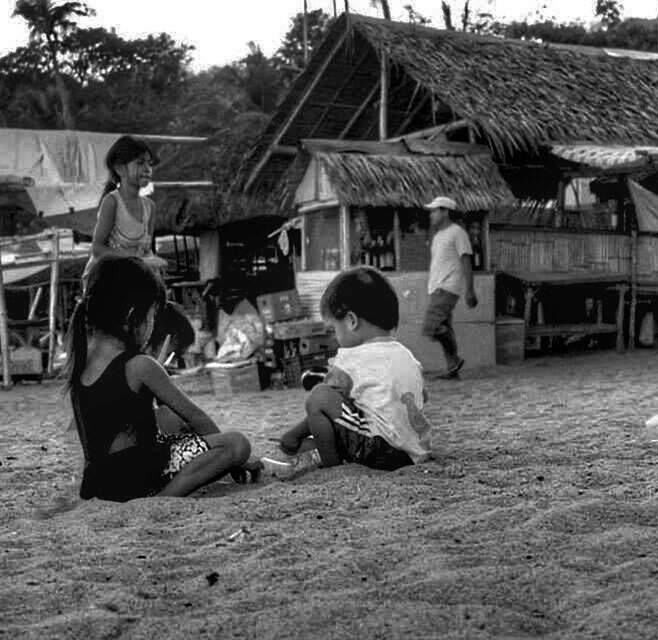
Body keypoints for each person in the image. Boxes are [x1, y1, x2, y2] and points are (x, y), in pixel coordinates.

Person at [66, 255, 257, 502]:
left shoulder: (80, 362)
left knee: (171, 423)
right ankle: (164, 498)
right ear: (134, 315)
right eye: (152, 316)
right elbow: (196, 417)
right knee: (236, 443)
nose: (153, 325)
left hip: (98, 484)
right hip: (138, 476)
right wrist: (232, 463)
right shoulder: (140, 366)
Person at [261, 266, 433, 479]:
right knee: (342, 422)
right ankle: (318, 451)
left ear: (351, 321)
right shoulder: (408, 356)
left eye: (334, 328)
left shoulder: (351, 358)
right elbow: (422, 396)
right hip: (415, 452)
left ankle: (332, 466)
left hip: (383, 452)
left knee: (318, 395)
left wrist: (293, 435)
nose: (334, 336)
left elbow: (323, 406)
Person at [82, 135, 166, 286]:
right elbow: (98, 249)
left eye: (149, 163)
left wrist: (155, 269)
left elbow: (146, 251)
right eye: (140, 163)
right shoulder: (112, 202)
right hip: (104, 281)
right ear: (120, 169)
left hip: (133, 277)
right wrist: (139, 260)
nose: (147, 169)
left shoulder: (150, 207)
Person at [422, 195, 477, 379]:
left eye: (434, 211)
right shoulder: (438, 236)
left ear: (445, 212)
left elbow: (466, 260)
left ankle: (455, 359)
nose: (431, 215)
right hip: (436, 287)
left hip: (447, 287)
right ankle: (452, 368)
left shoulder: (457, 232)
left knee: (431, 327)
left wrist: (470, 289)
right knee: (445, 327)